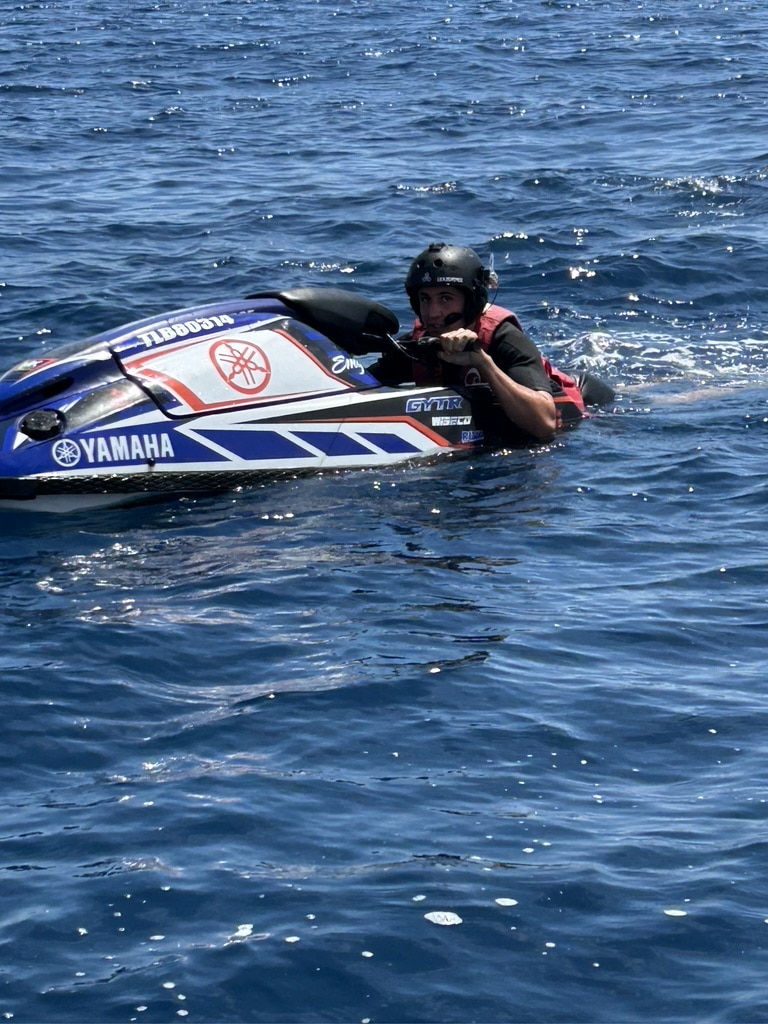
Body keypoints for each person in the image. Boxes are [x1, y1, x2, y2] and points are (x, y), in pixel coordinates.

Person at [369, 242, 585, 442]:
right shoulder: (416, 347)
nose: (433, 313)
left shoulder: (505, 339)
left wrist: (482, 362)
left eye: (445, 298)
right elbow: (361, 386)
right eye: (425, 299)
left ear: (471, 302)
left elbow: (545, 424)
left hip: (584, 408)